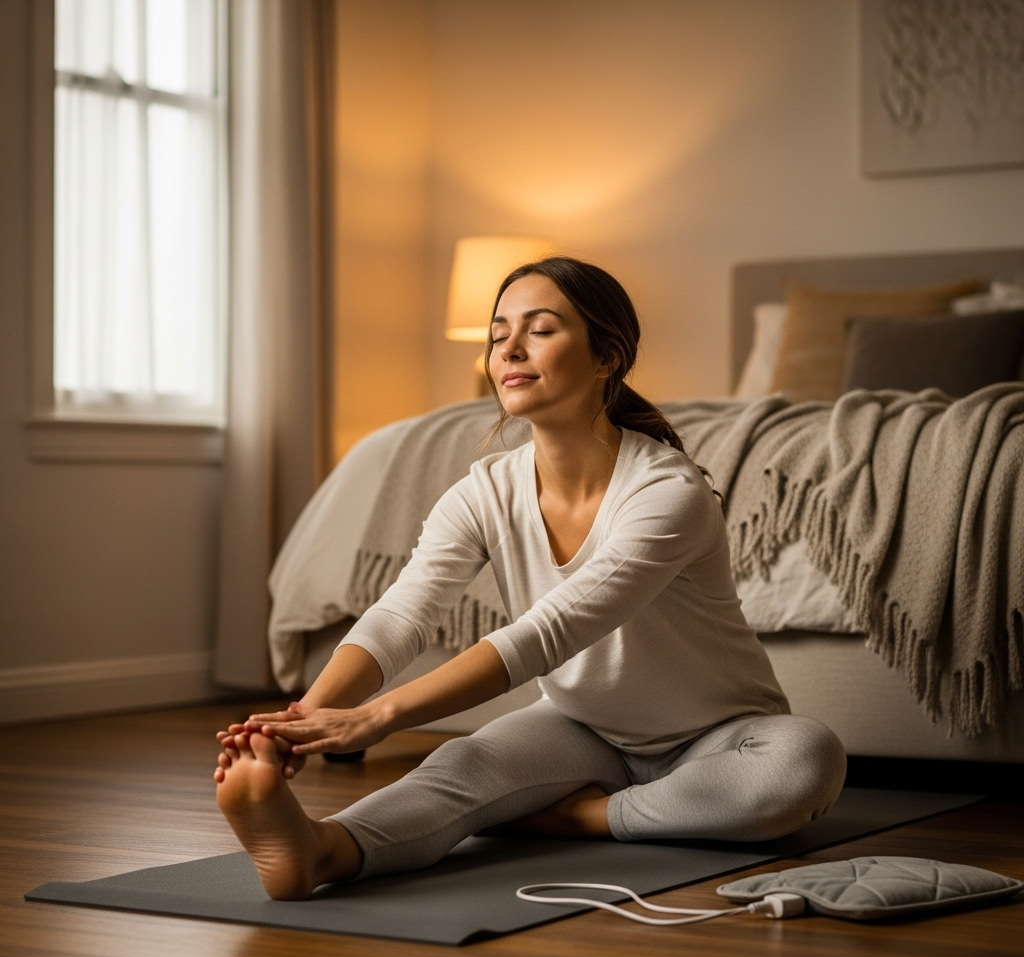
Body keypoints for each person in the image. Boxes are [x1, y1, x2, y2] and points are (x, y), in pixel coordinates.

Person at [213, 257, 846, 900]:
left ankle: (582, 817)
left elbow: (546, 634)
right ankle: (321, 849)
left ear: (607, 358)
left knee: (805, 760)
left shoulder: (666, 492)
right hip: (581, 731)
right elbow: (403, 612)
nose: (509, 348)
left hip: (719, 741)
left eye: (540, 329)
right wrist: (306, 717)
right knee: (461, 764)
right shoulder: (486, 489)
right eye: (497, 335)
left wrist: (379, 717)